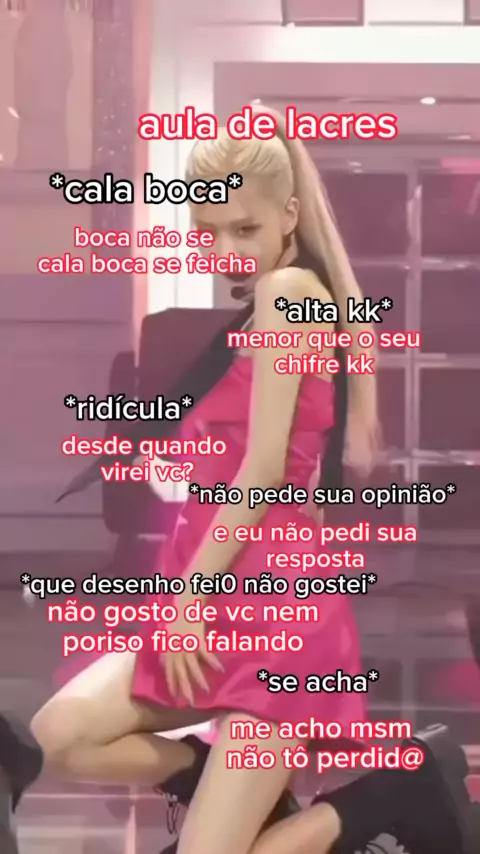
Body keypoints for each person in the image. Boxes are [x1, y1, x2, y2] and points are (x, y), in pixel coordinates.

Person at [1, 103, 472, 854]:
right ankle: (205, 774)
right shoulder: (254, 316)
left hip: (274, 610)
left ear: (288, 216)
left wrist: (189, 603)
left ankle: (384, 798)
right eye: (208, 231)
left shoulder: (291, 296)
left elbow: (261, 474)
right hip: (216, 582)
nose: (226, 250)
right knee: (60, 734)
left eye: (244, 228)